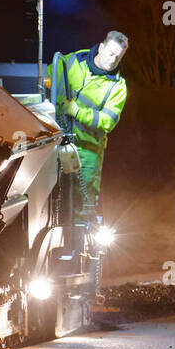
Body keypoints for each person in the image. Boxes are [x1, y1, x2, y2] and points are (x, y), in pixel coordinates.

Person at [50, 31, 129, 222]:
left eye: (118, 56)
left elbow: (107, 121)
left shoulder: (117, 87)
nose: (113, 60)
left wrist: (77, 111)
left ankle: (78, 250)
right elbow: (45, 85)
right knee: (50, 201)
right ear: (101, 48)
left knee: (82, 207)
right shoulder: (70, 62)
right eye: (111, 53)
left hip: (87, 152)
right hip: (53, 144)